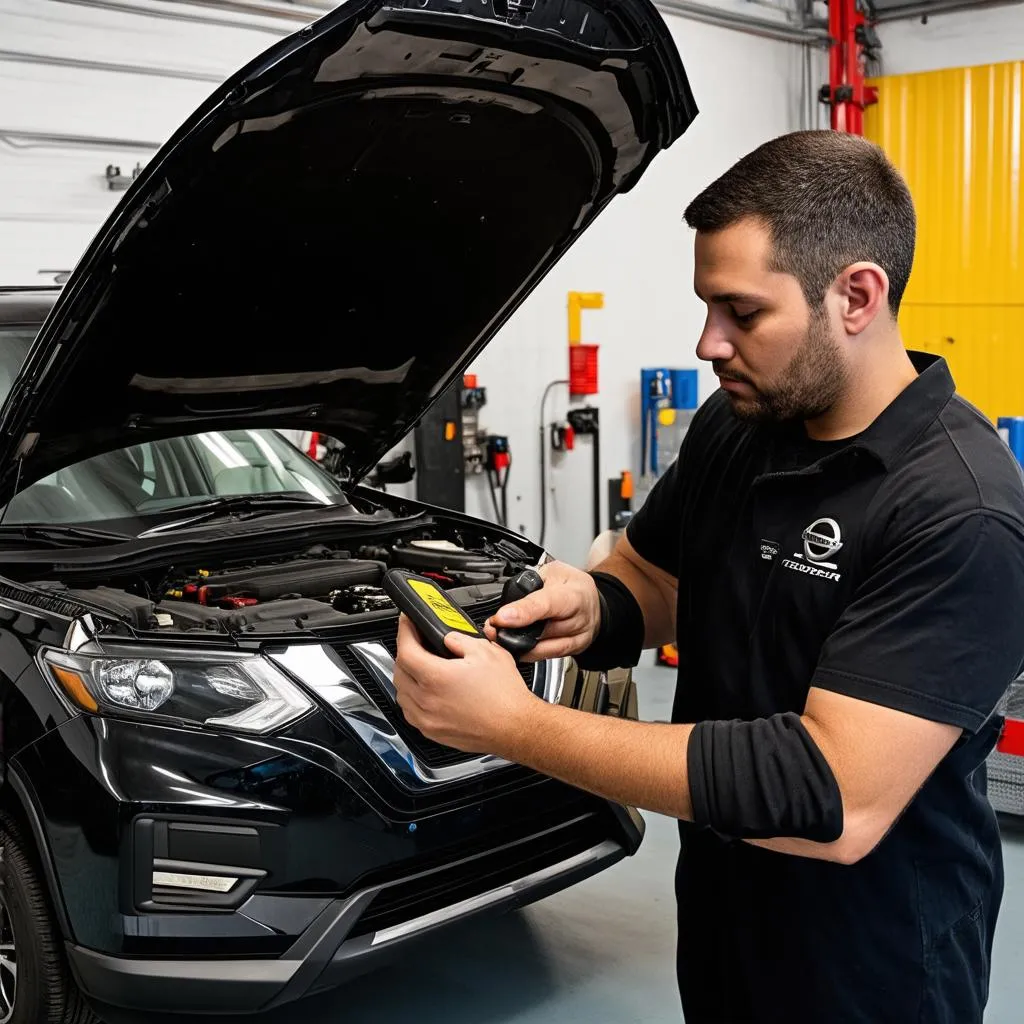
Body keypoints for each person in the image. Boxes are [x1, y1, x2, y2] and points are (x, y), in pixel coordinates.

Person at [392, 130, 1024, 1023]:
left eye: (741, 312)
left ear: (857, 295)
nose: (706, 343)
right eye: (706, 308)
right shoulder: (740, 426)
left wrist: (519, 727)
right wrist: (595, 604)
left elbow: (828, 795)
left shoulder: (959, 508)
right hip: (726, 924)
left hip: (874, 968)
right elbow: (657, 577)